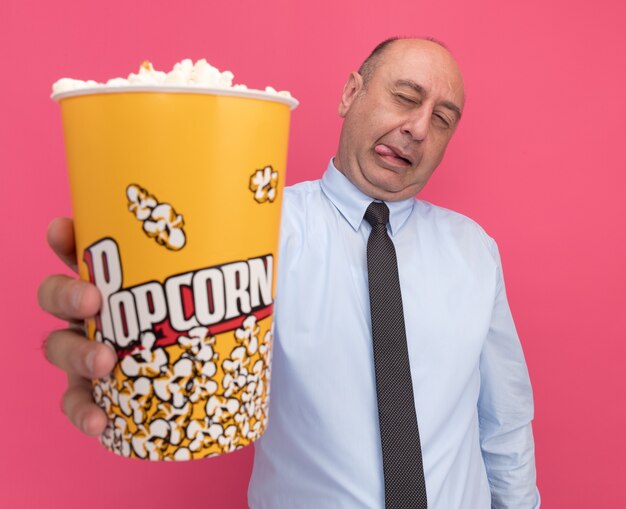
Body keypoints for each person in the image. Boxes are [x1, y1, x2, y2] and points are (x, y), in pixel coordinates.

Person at [39, 37, 540, 508]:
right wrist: (121, 337)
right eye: (405, 97)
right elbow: (173, 309)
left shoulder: (474, 249)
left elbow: (506, 421)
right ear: (350, 94)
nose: (418, 128)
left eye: (443, 119)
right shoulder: (255, 231)